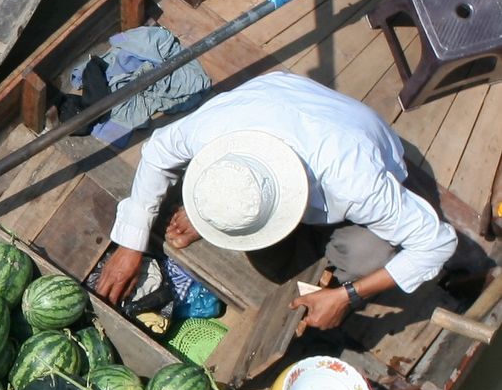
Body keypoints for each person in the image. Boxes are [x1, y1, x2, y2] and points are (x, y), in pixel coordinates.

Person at [93, 71, 467, 334]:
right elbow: (157, 152)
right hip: (277, 100)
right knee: (268, 257)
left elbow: (437, 244)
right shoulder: (211, 128)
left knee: (365, 256)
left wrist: (346, 295)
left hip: (359, 143)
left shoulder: (355, 181)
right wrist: (131, 243)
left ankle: (328, 270)